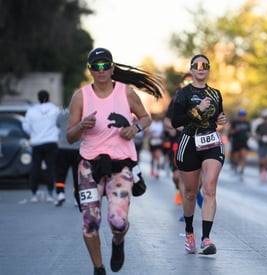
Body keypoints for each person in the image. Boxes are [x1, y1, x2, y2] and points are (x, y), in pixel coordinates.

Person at [66, 47, 163, 275]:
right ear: (90, 70)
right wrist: (81, 126)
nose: (101, 71)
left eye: (105, 65)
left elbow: (146, 118)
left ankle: (118, 242)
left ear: (112, 68)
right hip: (89, 166)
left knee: (118, 222)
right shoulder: (80, 97)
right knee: (90, 223)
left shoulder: (125, 93)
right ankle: (98, 268)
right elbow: (69, 136)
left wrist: (135, 128)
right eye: (96, 66)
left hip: (121, 166)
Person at [171, 54, 227, 255]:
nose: (201, 68)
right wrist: (197, 109)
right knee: (190, 192)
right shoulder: (183, 94)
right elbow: (175, 121)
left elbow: (217, 117)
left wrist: (221, 119)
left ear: (209, 69)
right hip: (189, 143)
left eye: (205, 65)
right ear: (192, 69)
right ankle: (189, 233)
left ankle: (206, 238)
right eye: (197, 65)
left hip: (211, 142)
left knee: (210, 188)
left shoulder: (216, 93)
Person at [163, 72, 203, 220]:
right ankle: (185, 208)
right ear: (181, 85)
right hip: (179, 142)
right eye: (185, 82)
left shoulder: (203, 97)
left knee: (199, 175)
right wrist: (174, 127)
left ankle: (195, 191)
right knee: (177, 176)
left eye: (190, 81)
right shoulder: (176, 100)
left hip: (199, 141)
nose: (188, 84)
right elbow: (167, 121)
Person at [23, 90, 60, 203]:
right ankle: (50, 193)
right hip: (51, 142)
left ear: (38, 98)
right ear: (48, 97)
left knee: (35, 168)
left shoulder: (31, 111)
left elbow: (26, 126)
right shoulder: (55, 110)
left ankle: (34, 193)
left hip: (37, 143)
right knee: (51, 168)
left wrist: (34, 134)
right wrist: (54, 134)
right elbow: (60, 125)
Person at [54, 107, 81, 207]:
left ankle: (60, 194)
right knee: (77, 175)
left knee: (60, 172)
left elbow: (57, 125)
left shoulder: (62, 114)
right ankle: (76, 198)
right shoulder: (82, 113)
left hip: (63, 147)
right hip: (78, 148)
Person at [228, 109, 251, 181]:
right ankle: (235, 166)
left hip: (244, 142)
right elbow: (230, 132)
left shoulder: (247, 123)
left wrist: (249, 135)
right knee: (236, 158)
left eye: (244, 115)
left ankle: (242, 172)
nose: (242, 117)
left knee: (244, 157)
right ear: (239, 116)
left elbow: (249, 132)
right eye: (241, 115)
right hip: (236, 142)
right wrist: (235, 130)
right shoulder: (234, 122)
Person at [147, 113, 165, 179]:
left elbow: (164, 133)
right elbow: (148, 132)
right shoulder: (152, 123)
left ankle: (157, 172)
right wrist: (152, 134)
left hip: (159, 142)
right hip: (152, 141)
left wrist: (160, 136)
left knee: (158, 156)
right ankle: (152, 170)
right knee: (153, 157)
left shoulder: (161, 124)